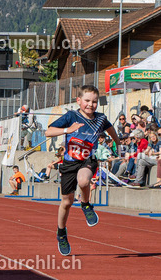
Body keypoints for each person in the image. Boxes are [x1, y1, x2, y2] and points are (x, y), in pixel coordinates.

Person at [45, 85, 120, 256]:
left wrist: (117, 141)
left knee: (84, 180)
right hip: (70, 162)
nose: (90, 105)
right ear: (79, 101)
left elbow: (110, 128)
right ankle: (61, 233)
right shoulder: (71, 116)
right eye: (87, 101)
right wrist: (67, 130)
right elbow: (48, 132)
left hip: (89, 158)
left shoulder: (101, 118)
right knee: (66, 202)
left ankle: (86, 204)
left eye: (94, 102)